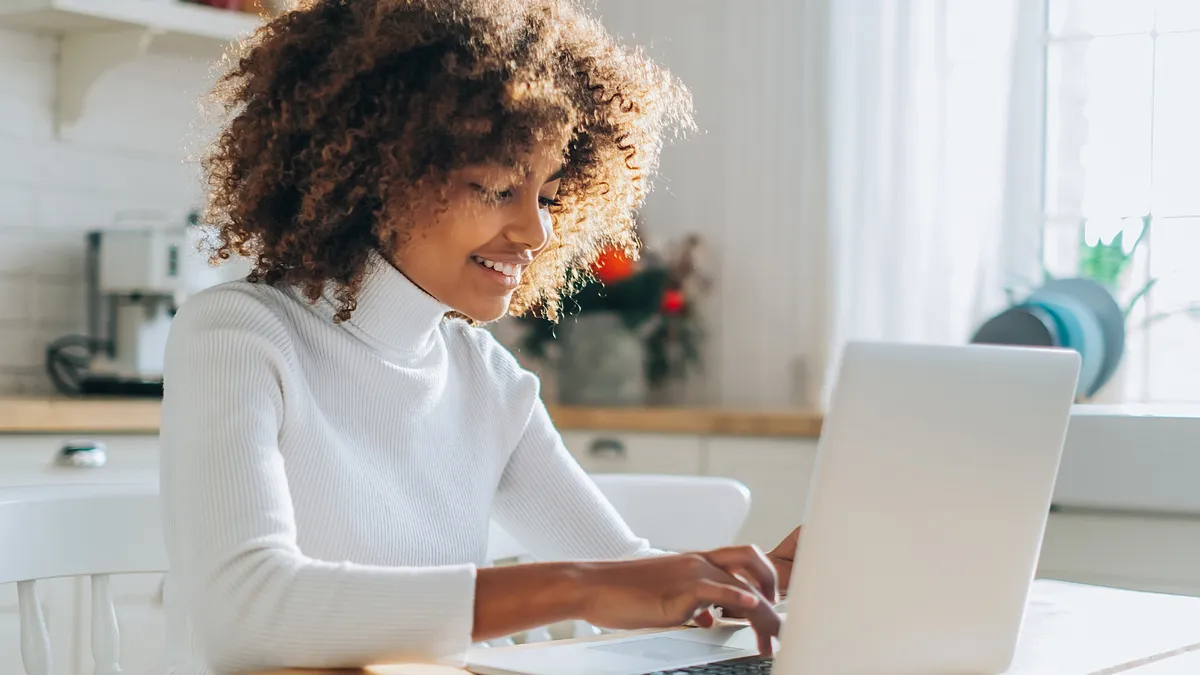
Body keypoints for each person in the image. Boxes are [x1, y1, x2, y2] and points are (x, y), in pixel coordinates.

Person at [159, 1, 800, 673]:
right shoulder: (239, 335)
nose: (537, 231)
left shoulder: (483, 376)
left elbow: (622, 574)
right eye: (498, 188)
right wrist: (575, 585)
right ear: (374, 177)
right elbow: (247, 611)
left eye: (548, 195)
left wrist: (763, 582)